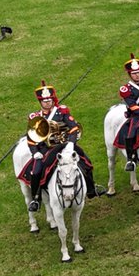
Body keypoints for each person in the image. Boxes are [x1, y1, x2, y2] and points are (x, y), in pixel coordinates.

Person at [25, 82, 98, 210]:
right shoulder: (35, 117)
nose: (48, 103)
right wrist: (34, 152)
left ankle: (92, 189)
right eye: (44, 101)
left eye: (50, 100)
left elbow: (73, 127)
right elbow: (31, 139)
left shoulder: (62, 112)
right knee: (36, 172)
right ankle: (36, 199)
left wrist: (70, 143)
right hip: (46, 149)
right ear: (40, 102)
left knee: (86, 162)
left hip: (65, 146)